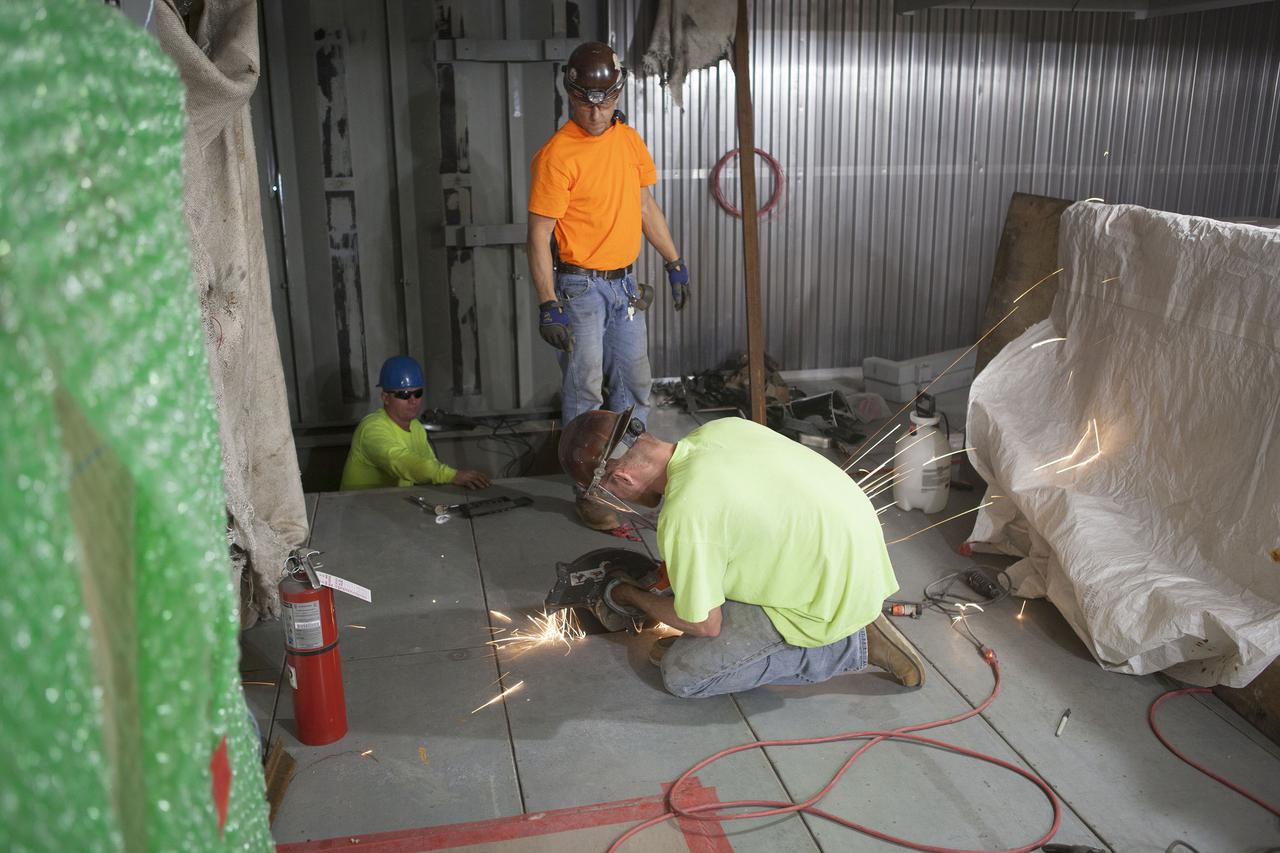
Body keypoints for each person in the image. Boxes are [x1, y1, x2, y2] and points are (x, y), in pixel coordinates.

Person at [557, 408, 927, 699]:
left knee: (683, 672)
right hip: (856, 555)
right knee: (695, 601)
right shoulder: (720, 429)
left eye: (610, 491)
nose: (616, 499)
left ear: (621, 478)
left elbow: (706, 624)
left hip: (828, 591)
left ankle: (853, 641)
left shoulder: (686, 510)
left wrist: (628, 595)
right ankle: (846, 613)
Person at [526, 41, 690, 532]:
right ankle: (590, 491)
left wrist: (674, 261)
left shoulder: (629, 141)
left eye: (605, 100)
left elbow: (645, 208)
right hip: (580, 288)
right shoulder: (557, 156)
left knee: (636, 385)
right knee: (585, 389)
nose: (596, 112)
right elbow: (536, 236)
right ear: (569, 94)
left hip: (625, 287)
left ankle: (629, 477)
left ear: (617, 94)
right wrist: (548, 303)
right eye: (585, 101)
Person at [340, 356, 491, 491]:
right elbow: (399, 460)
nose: (413, 401)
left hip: (391, 508)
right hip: (359, 513)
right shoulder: (371, 428)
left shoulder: (416, 428)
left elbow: (429, 469)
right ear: (385, 397)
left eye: (417, 393)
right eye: (404, 394)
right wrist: (452, 475)